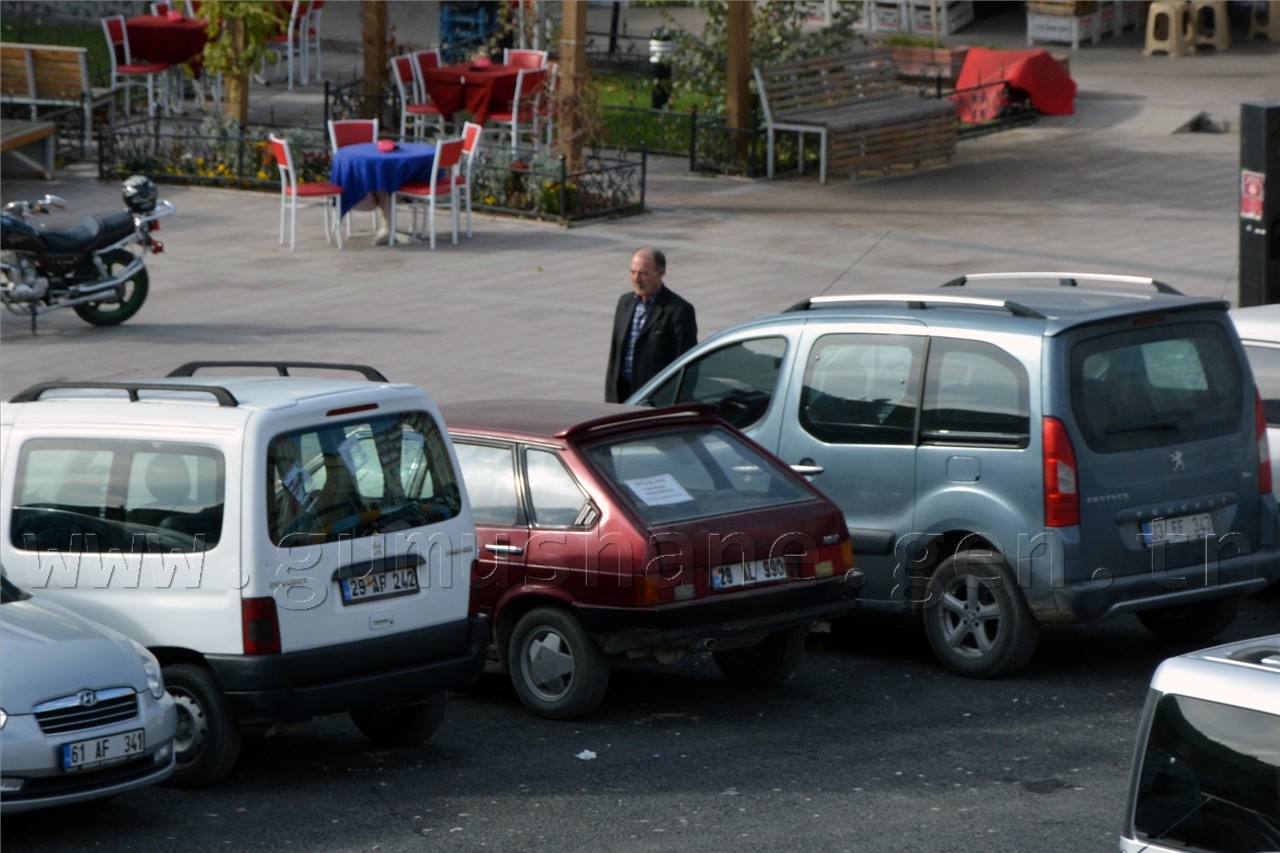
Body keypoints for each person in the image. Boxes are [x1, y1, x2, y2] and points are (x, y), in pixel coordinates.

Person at [605, 247, 697, 403]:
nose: (636, 279)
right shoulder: (625, 303)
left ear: (661, 273)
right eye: (633, 272)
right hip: (621, 397)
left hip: (654, 400)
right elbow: (615, 355)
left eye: (643, 274)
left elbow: (686, 364)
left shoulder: (678, 311)